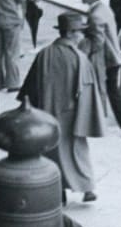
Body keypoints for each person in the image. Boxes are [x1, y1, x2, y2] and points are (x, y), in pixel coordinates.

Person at [18, 11, 105, 203]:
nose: (82, 36)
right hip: (73, 115)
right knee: (77, 153)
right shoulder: (79, 58)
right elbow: (88, 89)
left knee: (52, 154)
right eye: (80, 32)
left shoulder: (44, 54)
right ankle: (87, 188)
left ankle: (59, 191)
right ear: (72, 33)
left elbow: (29, 87)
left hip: (47, 113)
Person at [80, 0, 121, 140]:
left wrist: (85, 53)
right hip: (114, 56)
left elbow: (97, 41)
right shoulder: (104, 9)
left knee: (109, 91)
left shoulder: (95, 15)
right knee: (110, 90)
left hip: (107, 60)